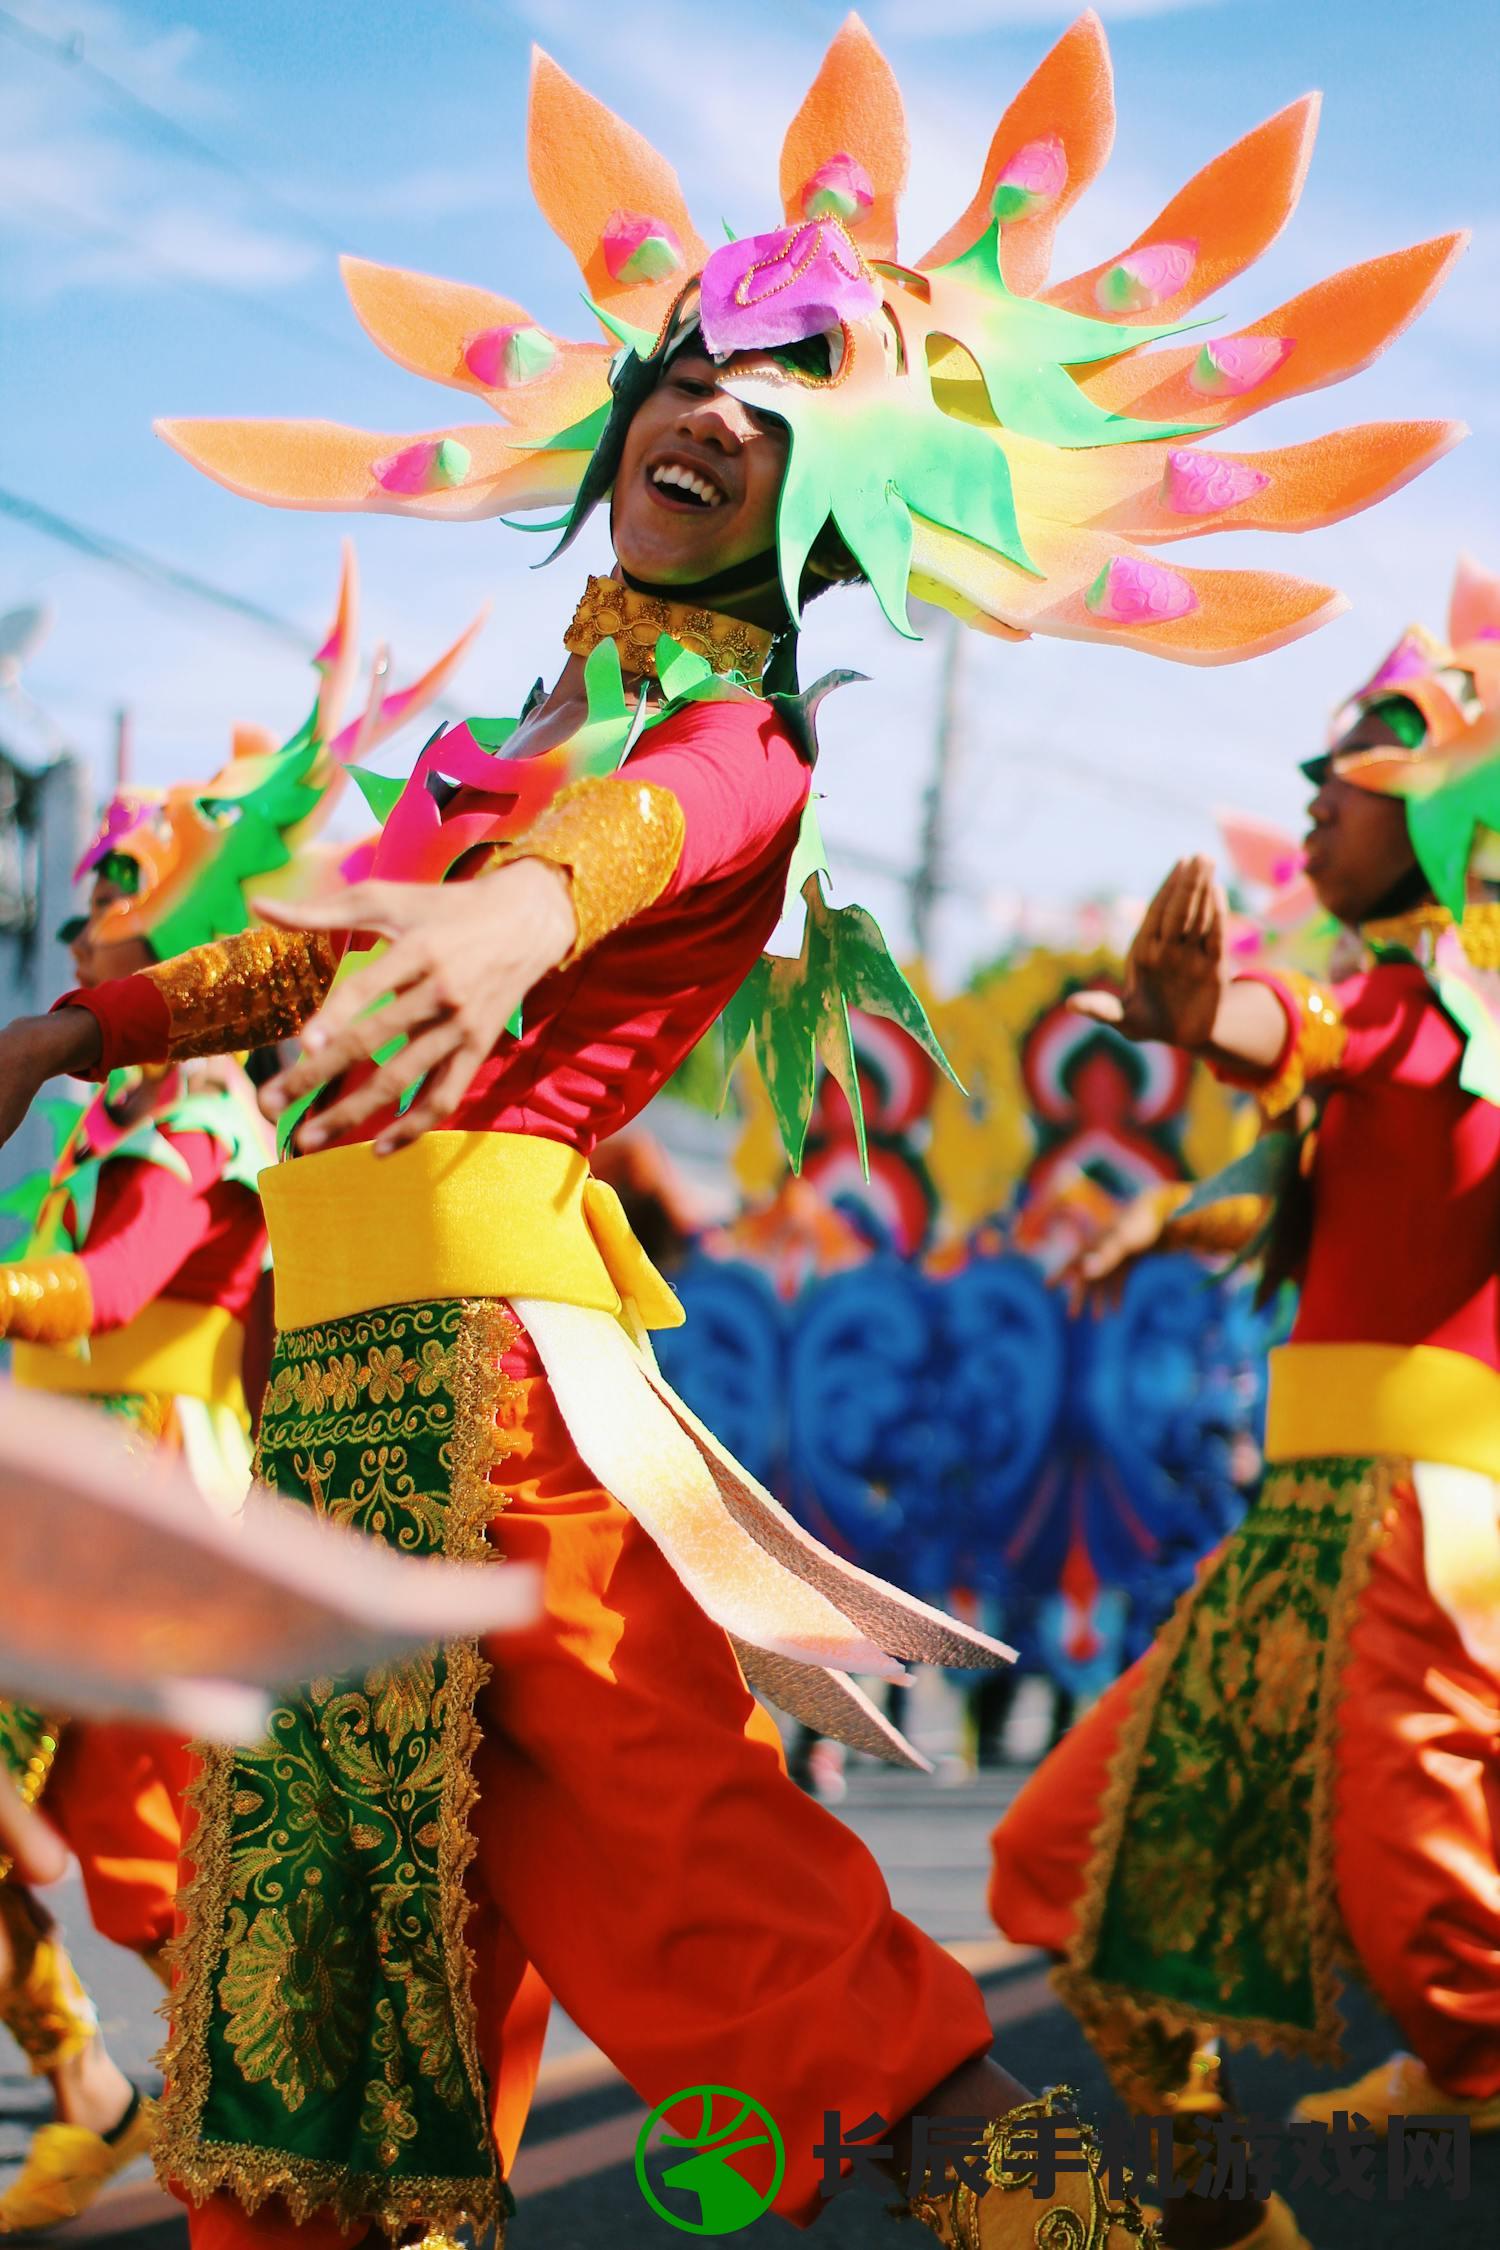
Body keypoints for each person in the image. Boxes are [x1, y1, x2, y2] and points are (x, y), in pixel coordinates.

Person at [0, 15, 1464, 2247]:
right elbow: (323, 949)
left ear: (838, 499)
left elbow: (642, 836)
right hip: (344, 1397)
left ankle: (1101, 2218)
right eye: (691, 370)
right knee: (316, 2007)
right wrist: (72, 1031)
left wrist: (509, 905)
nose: (710, 413)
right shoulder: (533, 729)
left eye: (777, 410)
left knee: (736, 1921)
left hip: (503, 1409)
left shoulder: (731, 750)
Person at [988, 555, 1500, 2250]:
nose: (1309, 794)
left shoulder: (1446, 1010)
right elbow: (1320, 1113)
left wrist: (1218, 1018)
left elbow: (1311, 1044)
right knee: (1060, 1869)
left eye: (1348, 764)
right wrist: (1164, 1198)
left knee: (1427, 1906)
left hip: (1424, 1532)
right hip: (1304, 1532)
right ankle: (1229, 2222)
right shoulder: (1412, 1019)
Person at [0, 557, 474, 2237]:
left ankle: (282, 2104)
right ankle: (103, 2087)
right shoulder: (117, 1117)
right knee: (130, 1856)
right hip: (73, 1490)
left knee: (165, 1862)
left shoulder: (201, 1128)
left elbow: (116, 1292)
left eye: (112, 890)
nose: (79, 922)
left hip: (147, 1498)